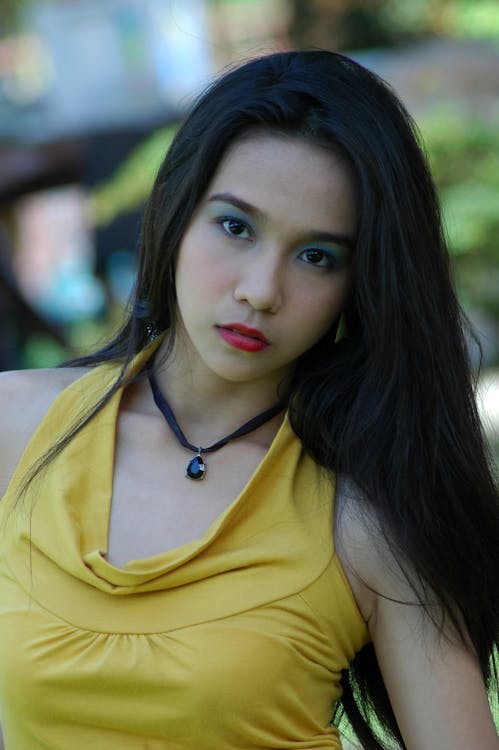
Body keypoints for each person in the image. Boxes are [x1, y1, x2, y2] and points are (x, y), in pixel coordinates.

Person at [0, 50, 497, 750]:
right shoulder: (14, 429)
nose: (261, 290)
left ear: (360, 284)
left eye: (316, 256)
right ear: (176, 211)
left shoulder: (363, 518)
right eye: (235, 226)